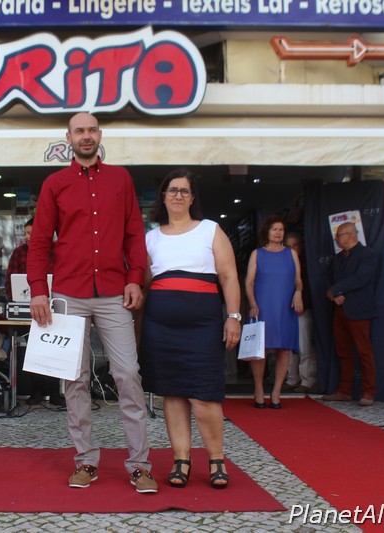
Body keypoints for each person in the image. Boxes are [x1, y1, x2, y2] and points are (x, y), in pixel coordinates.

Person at [28, 112, 157, 494]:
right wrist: (38, 289)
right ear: (68, 138)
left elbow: (134, 233)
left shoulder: (120, 179)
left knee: (128, 374)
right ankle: (85, 460)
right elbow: (40, 240)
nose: (86, 136)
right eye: (79, 130)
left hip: (115, 292)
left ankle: (140, 465)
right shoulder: (55, 184)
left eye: (92, 130)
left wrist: (135, 277)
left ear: (99, 135)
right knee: (75, 379)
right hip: (69, 293)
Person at [139, 169, 241, 490]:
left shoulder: (210, 230)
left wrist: (234, 316)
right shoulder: (151, 238)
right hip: (160, 327)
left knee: (204, 395)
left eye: (184, 191)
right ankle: (181, 459)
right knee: (173, 393)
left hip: (203, 325)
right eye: (172, 190)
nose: (178, 196)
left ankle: (216, 458)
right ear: (163, 196)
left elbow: (228, 276)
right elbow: (143, 283)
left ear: (192, 197)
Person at [245, 215, 303, 409]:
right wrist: (252, 303)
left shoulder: (291, 254)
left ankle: (277, 391)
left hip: (285, 307)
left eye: (281, 229)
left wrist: (298, 293)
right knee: (260, 349)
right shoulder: (257, 254)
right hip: (262, 306)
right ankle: (259, 389)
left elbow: (298, 280)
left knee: (284, 349)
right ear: (267, 232)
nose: (278, 233)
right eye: (274, 229)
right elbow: (249, 282)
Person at [4, 217, 63, 407]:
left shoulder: (57, 251)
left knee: (54, 350)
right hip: (26, 308)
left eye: (31, 233)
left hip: (54, 308)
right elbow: (10, 281)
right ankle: (35, 391)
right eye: (26, 233)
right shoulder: (19, 253)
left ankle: (55, 392)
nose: (28, 237)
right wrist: (16, 301)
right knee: (31, 351)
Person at [323, 222, 379, 406]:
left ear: (350, 235)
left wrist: (336, 290)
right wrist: (333, 295)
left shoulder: (367, 255)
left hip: (359, 310)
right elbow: (328, 279)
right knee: (343, 351)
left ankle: (369, 392)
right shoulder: (338, 258)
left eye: (339, 236)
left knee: (364, 351)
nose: (336, 239)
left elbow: (361, 278)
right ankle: (344, 390)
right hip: (339, 310)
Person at [282, 232, 318, 394]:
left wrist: (304, 303)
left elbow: (310, 287)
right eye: (288, 246)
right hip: (285, 311)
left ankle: (307, 379)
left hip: (302, 309)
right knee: (287, 346)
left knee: (304, 346)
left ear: (300, 246)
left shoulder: (307, 264)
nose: (292, 249)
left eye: (294, 245)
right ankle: (291, 378)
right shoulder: (283, 263)